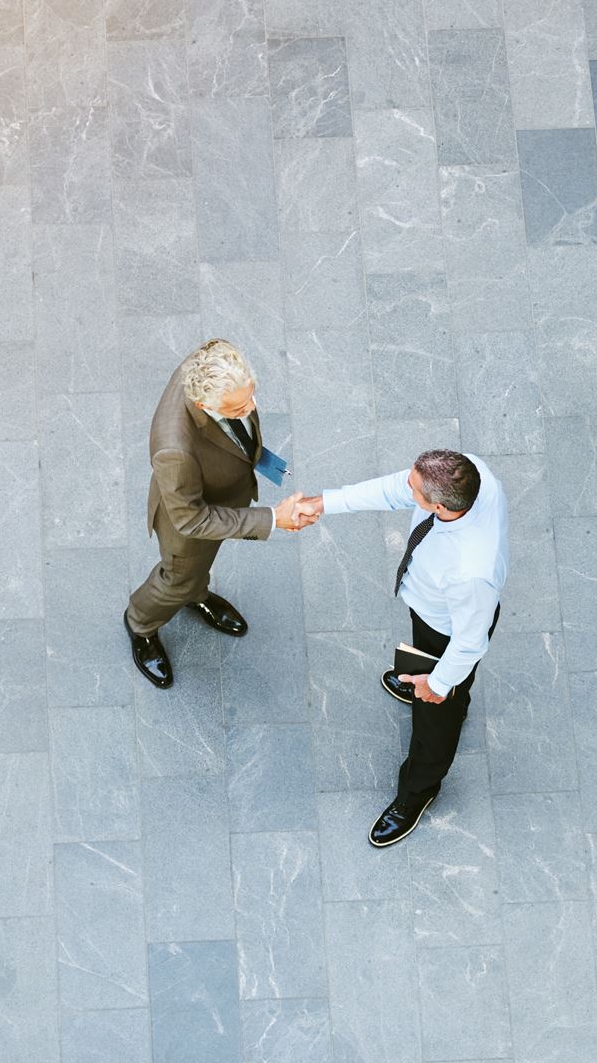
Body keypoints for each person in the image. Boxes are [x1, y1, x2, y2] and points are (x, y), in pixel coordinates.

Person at [293, 450, 508, 848]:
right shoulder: (468, 474)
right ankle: (425, 684)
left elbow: (469, 642)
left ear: (439, 505)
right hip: (431, 610)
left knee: (436, 720)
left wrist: (438, 683)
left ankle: (418, 791)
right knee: (420, 661)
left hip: (450, 631)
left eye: (415, 490)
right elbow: (394, 489)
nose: (405, 488)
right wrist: (324, 503)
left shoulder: (470, 573)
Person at [125, 340, 316, 690]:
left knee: (194, 576)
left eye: (251, 396)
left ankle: (197, 594)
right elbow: (191, 520)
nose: (252, 407)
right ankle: (140, 622)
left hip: (220, 493)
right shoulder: (174, 449)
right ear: (203, 404)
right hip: (190, 525)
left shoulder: (210, 359)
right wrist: (273, 519)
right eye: (240, 407)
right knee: (176, 578)